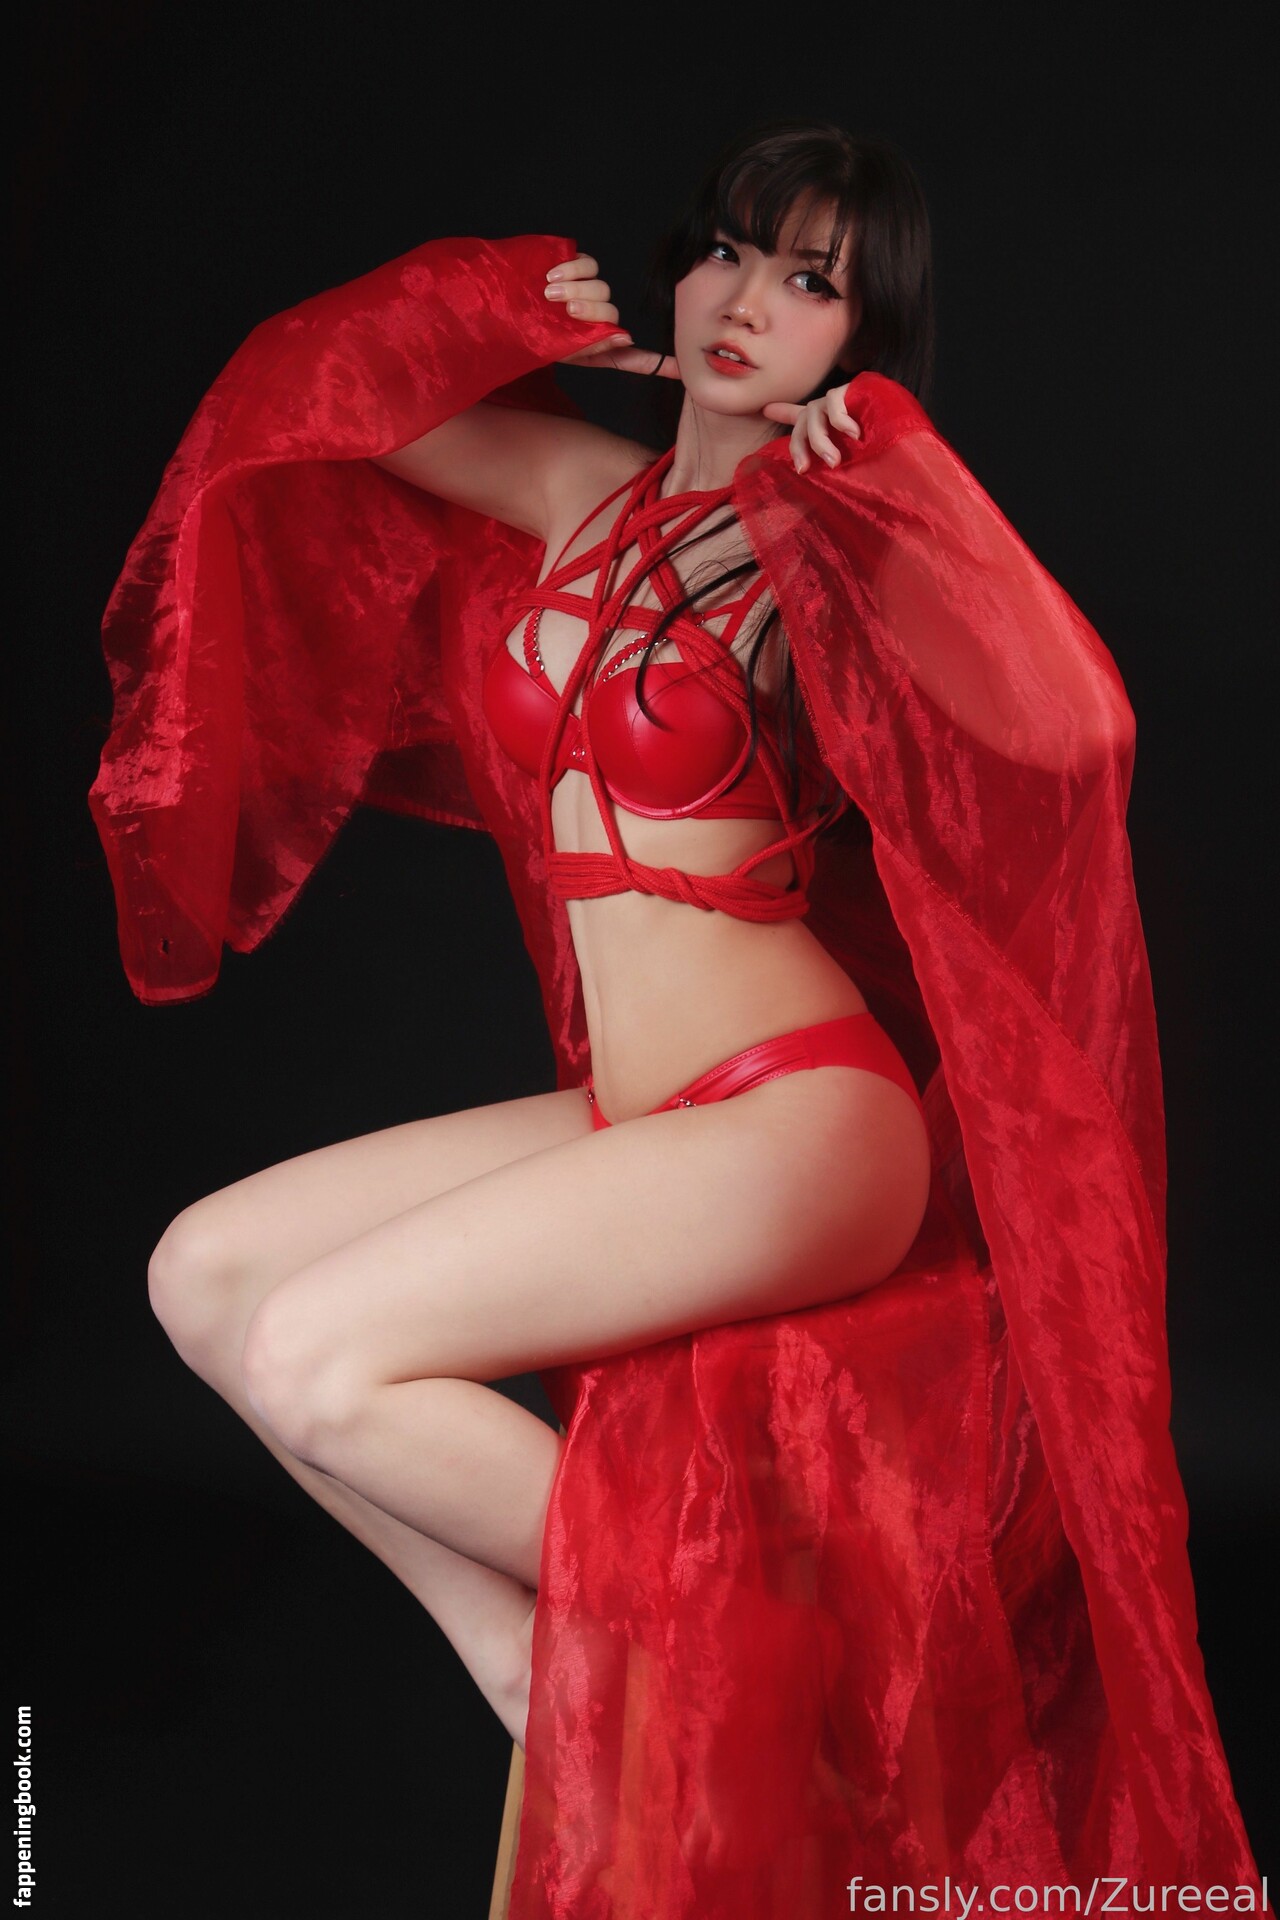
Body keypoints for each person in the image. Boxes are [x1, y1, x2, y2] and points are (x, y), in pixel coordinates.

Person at [93, 122, 1261, 1914]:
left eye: (814, 283)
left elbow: (1076, 733)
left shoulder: (828, 554)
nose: (748, 302)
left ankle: (739, 1652)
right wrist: (485, 309)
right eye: (729, 251)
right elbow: (304, 403)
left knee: (326, 1362)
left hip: (798, 1118)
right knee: (205, 1279)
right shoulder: (583, 493)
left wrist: (910, 483)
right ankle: (521, 1657)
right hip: (650, 1113)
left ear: (862, 341)